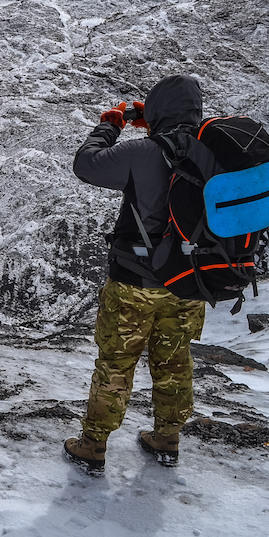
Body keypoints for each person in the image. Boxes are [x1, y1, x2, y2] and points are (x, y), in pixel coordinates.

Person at [63, 74, 208, 474]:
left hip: (135, 282)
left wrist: (111, 123)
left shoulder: (144, 151)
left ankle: (92, 446)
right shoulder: (215, 151)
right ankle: (167, 439)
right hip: (191, 283)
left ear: (156, 110)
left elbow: (87, 164)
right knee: (175, 360)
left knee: (116, 362)